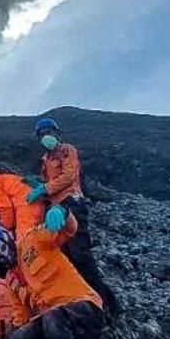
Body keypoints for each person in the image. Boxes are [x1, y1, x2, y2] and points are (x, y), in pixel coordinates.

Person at [0, 219, 105, 339]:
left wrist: (63, 214)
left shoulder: (33, 240)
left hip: (84, 309)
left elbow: (68, 229)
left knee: (53, 318)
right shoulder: (11, 282)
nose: (2, 257)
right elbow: (21, 320)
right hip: (55, 328)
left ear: (7, 237)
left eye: (1, 248)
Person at [26, 118, 120, 316]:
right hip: (56, 208)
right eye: (42, 134)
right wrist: (39, 185)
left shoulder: (67, 150)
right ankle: (84, 301)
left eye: (49, 132)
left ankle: (109, 306)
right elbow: (52, 182)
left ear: (57, 133)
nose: (46, 136)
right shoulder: (46, 159)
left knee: (81, 256)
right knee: (68, 257)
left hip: (72, 204)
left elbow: (69, 176)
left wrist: (45, 187)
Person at [0, 170, 45, 239]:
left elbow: (6, 207)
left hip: (27, 204)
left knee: (24, 242)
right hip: (32, 199)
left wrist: (6, 227)